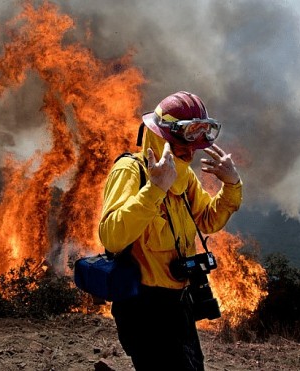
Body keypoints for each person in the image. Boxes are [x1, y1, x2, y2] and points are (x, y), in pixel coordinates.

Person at [98, 91, 242, 370]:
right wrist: (155, 189)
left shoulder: (184, 174)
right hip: (143, 306)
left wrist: (232, 184)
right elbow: (112, 236)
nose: (190, 153)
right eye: (182, 146)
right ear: (160, 138)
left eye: (194, 147)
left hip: (180, 302)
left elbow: (208, 221)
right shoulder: (129, 171)